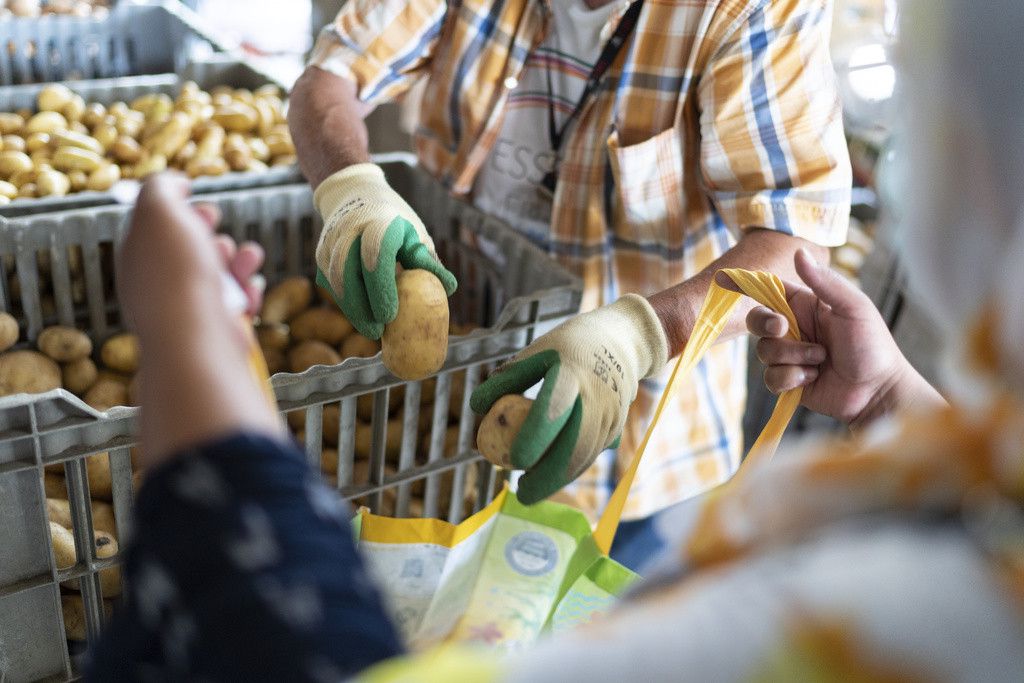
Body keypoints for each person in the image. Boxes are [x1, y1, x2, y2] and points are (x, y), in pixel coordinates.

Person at [288, 0, 853, 570]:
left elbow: (794, 244)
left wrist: (637, 337)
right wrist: (351, 187)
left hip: (639, 454)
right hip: (453, 405)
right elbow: (330, 78)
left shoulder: (751, 9)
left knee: (596, 635)